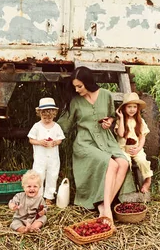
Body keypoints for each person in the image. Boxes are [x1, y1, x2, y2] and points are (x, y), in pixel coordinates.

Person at [58, 66, 134, 223]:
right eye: (75, 87)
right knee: (111, 165)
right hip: (85, 143)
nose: (77, 90)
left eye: (80, 86)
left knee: (124, 163)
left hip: (106, 139)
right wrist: (46, 131)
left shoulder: (106, 95)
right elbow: (64, 124)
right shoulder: (75, 101)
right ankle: (108, 210)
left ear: (88, 82)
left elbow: (112, 116)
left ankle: (102, 206)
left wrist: (109, 122)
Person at [28, 97, 65, 205]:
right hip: (40, 157)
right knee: (39, 175)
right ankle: (38, 197)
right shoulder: (37, 126)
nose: (47, 120)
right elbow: (31, 139)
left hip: (53, 157)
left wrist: (55, 142)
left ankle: (49, 196)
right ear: (40, 114)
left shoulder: (56, 126)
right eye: (45, 118)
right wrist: (39, 142)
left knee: (52, 175)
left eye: (50, 118)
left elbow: (60, 139)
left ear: (54, 115)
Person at [115, 92, 153, 193]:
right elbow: (121, 134)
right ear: (124, 108)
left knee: (142, 161)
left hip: (136, 148)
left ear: (137, 108)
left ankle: (147, 180)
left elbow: (142, 137)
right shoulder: (120, 121)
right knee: (125, 163)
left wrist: (139, 148)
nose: (132, 109)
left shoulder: (140, 121)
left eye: (134, 107)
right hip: (123, 149)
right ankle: (126, 186)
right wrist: (122, 118)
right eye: (129, 107)